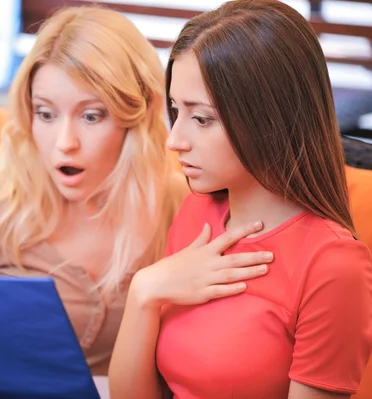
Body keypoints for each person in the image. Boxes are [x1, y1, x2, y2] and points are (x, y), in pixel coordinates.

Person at [109, 0, 372, 398]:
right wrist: (145, 291)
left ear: (270, 120)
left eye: (202, 119)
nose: (174, 140)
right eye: (177, 111)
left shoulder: (333, 266)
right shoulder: (198, 211)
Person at [0, 6, 193, 375]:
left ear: (135, 117)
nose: (64, 143)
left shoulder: (181, 205)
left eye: (91, 116)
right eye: (46, 114)